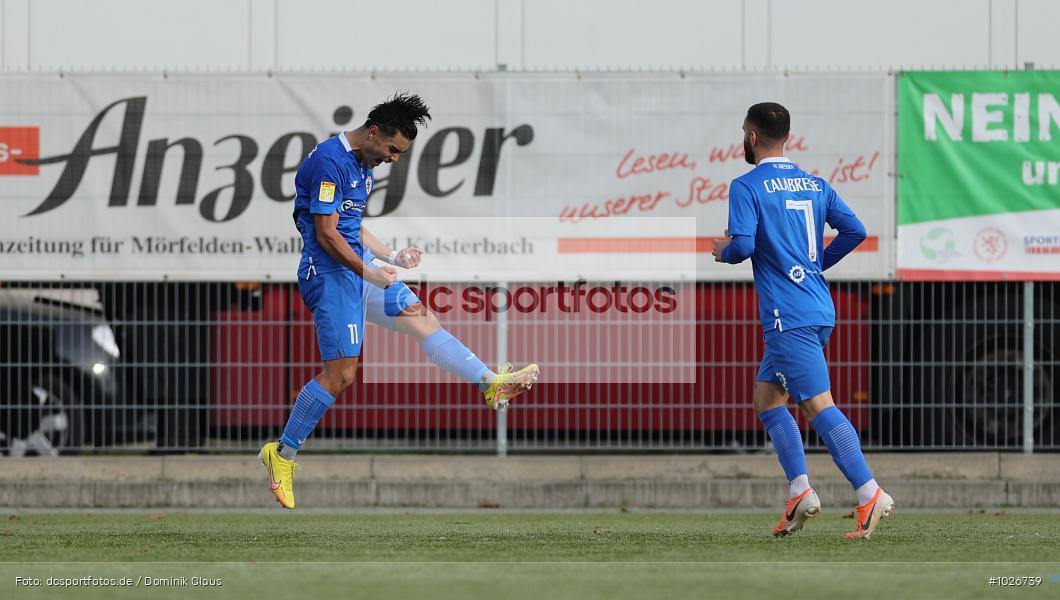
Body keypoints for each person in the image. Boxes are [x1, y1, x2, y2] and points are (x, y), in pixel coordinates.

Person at [259, 93, 539, 509]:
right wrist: (369, 271)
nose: (393, 159)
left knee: (422, 319)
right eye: (392, 149)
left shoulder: (363, 164)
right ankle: (282, 455)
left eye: (400, 154)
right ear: (373, 132)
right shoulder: (329, 162)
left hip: (361, 269)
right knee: (342, 375)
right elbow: (327, 234)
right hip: (331, 276)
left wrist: (390, 256)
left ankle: (489, 383)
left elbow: (352, 225)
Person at [712, 102, 893, 539]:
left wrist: (722, 252)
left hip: (787, 315)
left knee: (817, 405)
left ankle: (869, 492)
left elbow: (742, 246)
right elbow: (855, 231)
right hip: (816, 307)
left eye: (743, 133)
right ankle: (799, 492)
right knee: (768, 401)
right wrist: (816, 265)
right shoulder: (815, 185)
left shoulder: (746, 185)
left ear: (752, 137)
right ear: (787, 138)